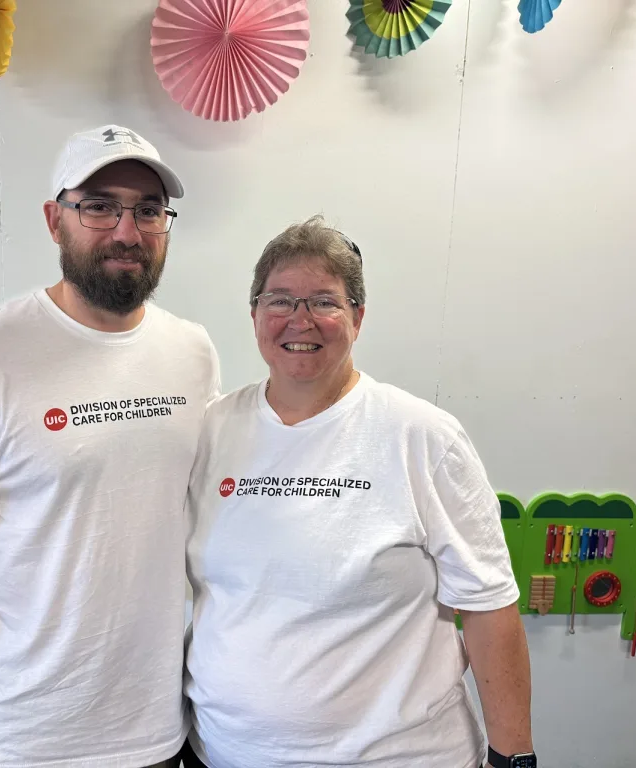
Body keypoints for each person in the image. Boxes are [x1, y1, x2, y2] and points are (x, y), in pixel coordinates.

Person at [0, 124, 220, 768]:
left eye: (148, 210)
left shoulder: (193, 353)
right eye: (98, 205)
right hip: (22, 736)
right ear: (54, 219)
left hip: (157, 730)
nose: (127, 231)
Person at [182, 217, 535, 768]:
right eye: (280, 300)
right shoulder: (209, 431)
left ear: (358, 317)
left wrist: (513, 758)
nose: (300, 320)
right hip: (225, 753)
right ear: (254, 314)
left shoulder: (422, 437)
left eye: (324, 301)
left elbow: (489, 605)